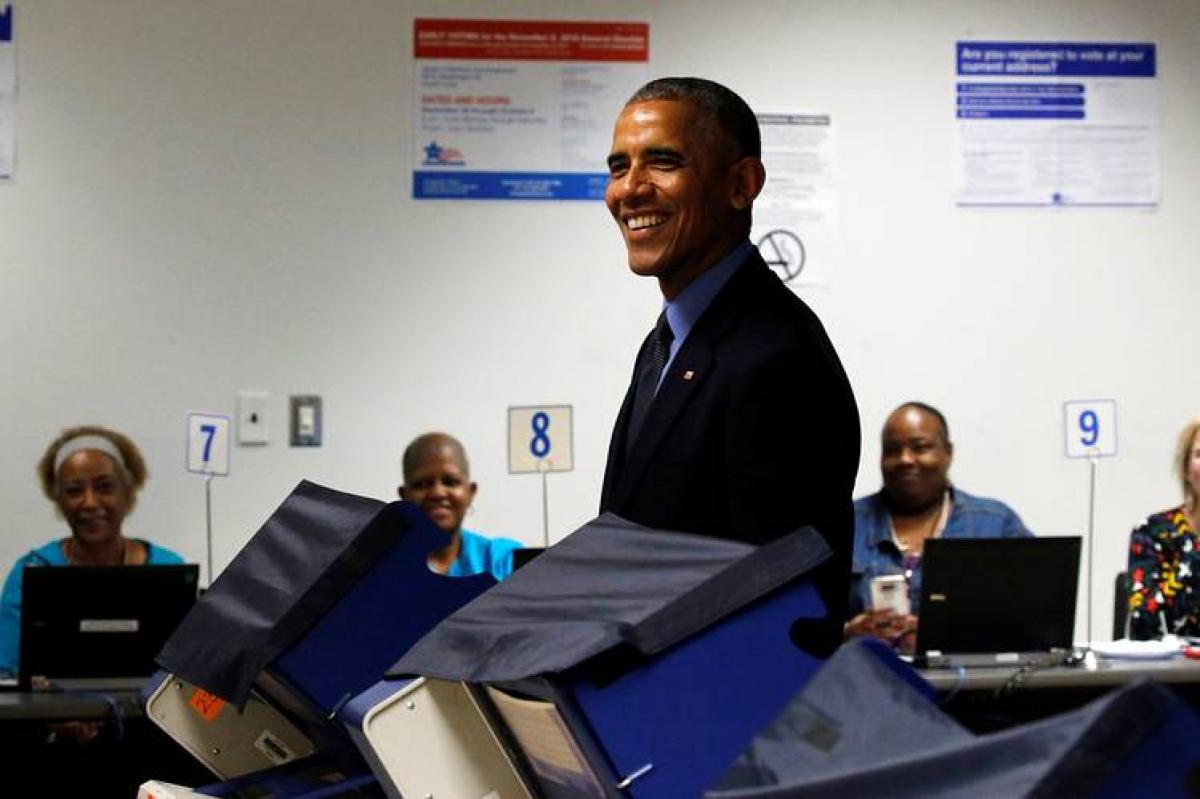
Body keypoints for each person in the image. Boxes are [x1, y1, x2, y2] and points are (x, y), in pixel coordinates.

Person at [597, 77, 860, 651]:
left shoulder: (776, 358)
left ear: (741, 185)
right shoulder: (669, 343)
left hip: (722, 719)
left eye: (662, 162)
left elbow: (771, 598)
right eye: (619, 168)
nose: (631, 190)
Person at [0, 425, 184, 678]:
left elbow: (185, 675)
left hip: (142, 716)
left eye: (104, 487)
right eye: (74, 491)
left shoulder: (168, 568)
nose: (90, 502)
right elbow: (5, 673)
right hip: (48, 716)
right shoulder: (30, 571)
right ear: (58, 498)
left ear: (127, 491)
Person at [845, 402, 1032, 649]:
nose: (905, 459)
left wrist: (946, 634)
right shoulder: (847, 524)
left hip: (974, 683)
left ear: (948, 452)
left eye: (920, 448)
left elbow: (1033, 621)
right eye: (892, 450)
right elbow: (803, 621)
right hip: (864, 681)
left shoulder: (995, 524)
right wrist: (847, 633)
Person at [399, 432, 522, 581]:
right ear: (404, 496)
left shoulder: (503, 561)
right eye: (422, 484)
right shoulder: (377, 568)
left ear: (470, 492)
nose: (438, 493)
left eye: (450, 482)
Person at [1127, 417, 1200, 639]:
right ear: (1186, 470)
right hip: (1174, 669)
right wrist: (1193, 555)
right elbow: (1143, 623)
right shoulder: (1153, 531)